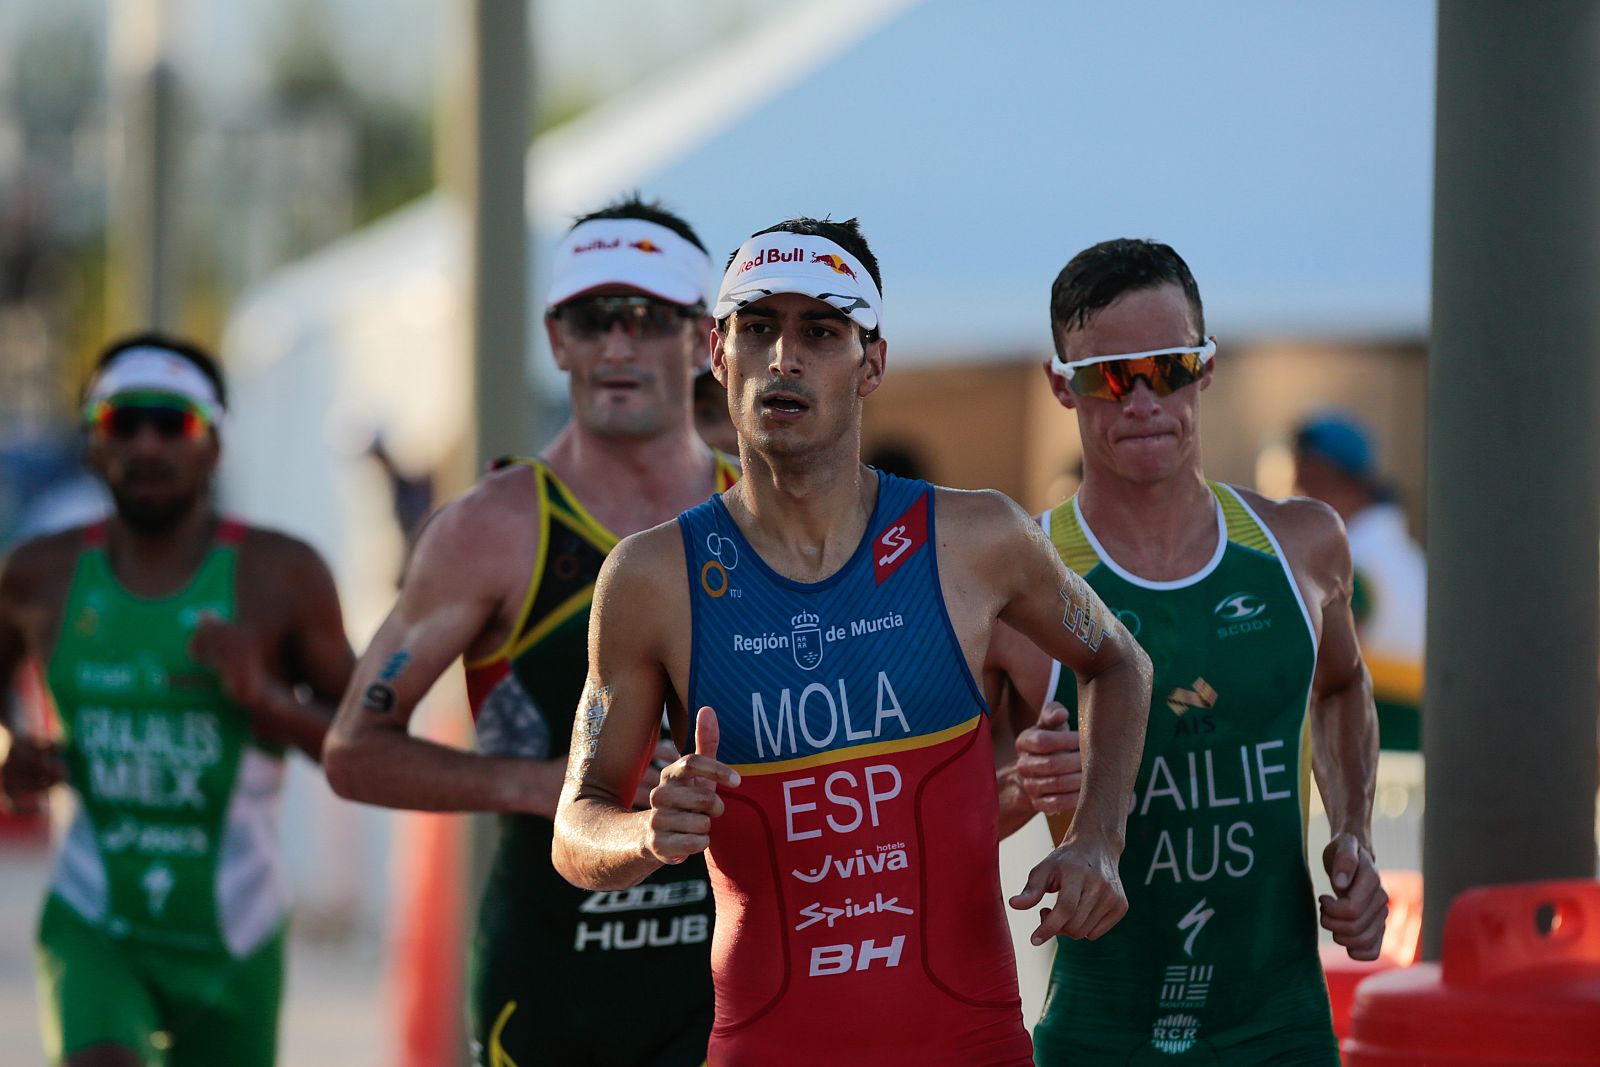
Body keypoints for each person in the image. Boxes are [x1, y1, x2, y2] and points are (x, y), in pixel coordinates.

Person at [551, 216, 1153, 1065]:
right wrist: (648, 831)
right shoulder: (651, 579)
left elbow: (1119, 659)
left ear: (872, 362)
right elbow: (575, 827)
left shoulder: (976, 538)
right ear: (718, 354)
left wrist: (1099, 835)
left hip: (966, 1043)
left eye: (821, 331)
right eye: (758, 328)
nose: (784, 359)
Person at [322, 197, 736, 1067]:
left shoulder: (762, 512)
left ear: (707, 339)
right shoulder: (495, 528)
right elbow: (354, 748)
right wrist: (543, 785)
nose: (617, 347)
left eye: (648, 317)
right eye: (593, 320)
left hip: (732, 986)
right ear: (558, 340)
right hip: (555, 986)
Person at [986, 239, 1387, 1065]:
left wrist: (1354, 834)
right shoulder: (1013, 588)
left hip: (1281, 1027)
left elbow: (1342, 687)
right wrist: (1023, 788)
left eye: (1165, 367)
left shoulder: (1303, 546)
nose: (1139, 399)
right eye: (1107, 375)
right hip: (1102, 1032)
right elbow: (940, 820)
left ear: (1205, 368)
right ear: (1061, 385)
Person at [0, 334, 353, 1067]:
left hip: (236, 935)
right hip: (97, 919)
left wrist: (266, 700)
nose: (149, 443)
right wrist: (9, 751)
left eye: (174, 421)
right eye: (124, 422)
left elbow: (369, 746)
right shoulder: (41, 574)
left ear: (215, 442)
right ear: (94, 443)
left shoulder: (280, 575)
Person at [1292, 413, 1426, 751]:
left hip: (1375, 756)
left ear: (1352, 486)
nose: (1297, 498)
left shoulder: (1352, 560)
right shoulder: (1407, 556)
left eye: (1311, 483)